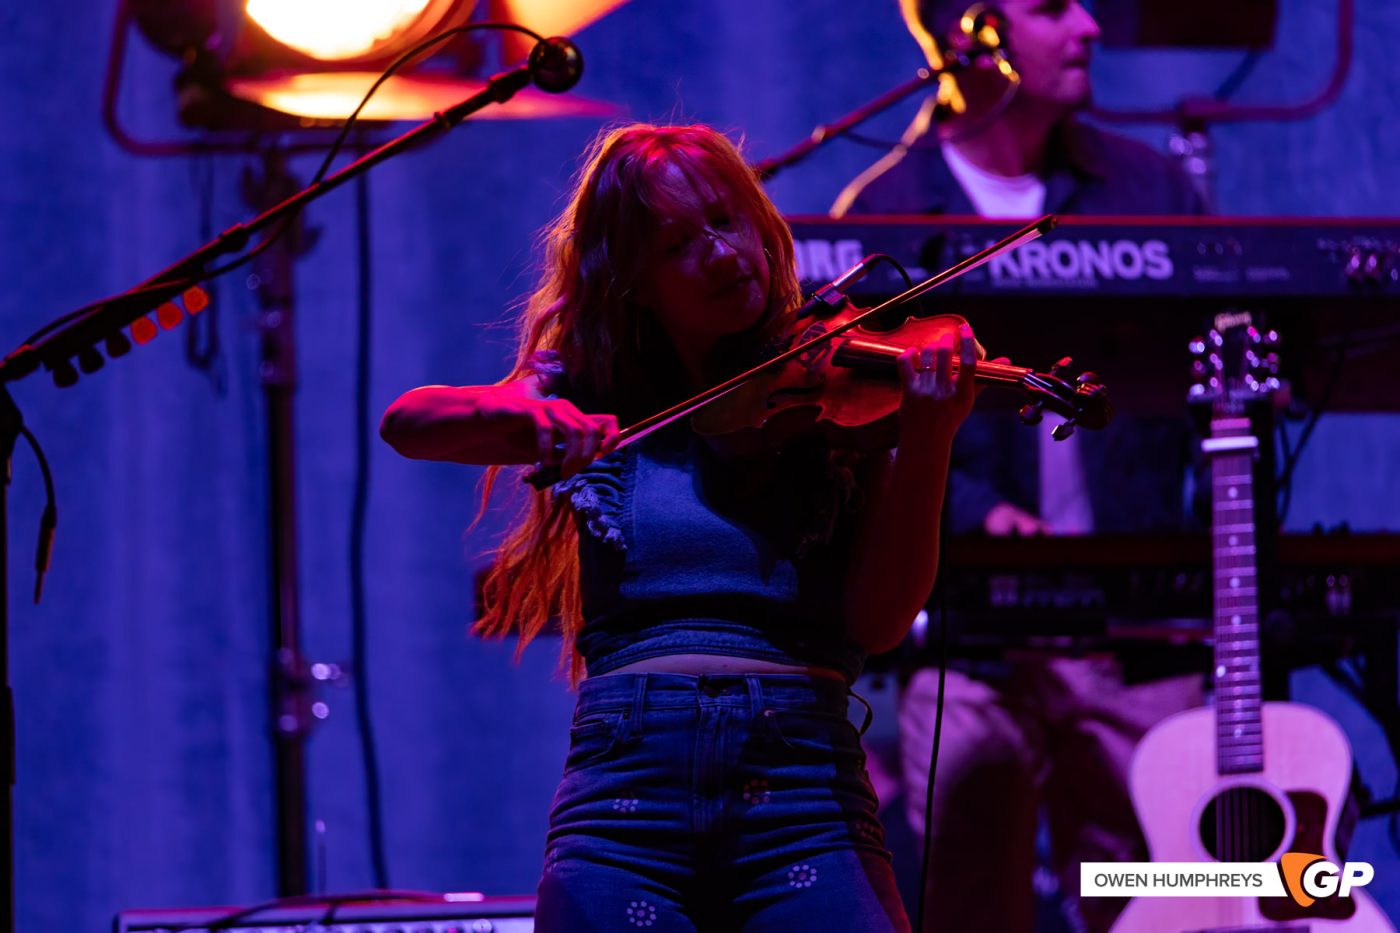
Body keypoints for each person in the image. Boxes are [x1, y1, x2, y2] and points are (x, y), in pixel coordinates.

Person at [381, 122, 982, 931]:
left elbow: (877, 623)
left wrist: (930, 440)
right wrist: (526, 407)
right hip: (624, 794)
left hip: (802, 784)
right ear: (632, 280)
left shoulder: (838, 385)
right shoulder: (592, 385)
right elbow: (409, 423)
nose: (722, 254)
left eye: (726, 220)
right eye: (676, 244)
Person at [834, 2, 1208, 931]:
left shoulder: (1150, 189)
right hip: (971, 634)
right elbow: (852, 422)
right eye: (1051, 6)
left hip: (1132, 631)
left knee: (1154, 896)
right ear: (974, 31)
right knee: (967, 899)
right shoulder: (885, 215)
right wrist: (972, 507)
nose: (1087, 27)